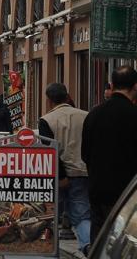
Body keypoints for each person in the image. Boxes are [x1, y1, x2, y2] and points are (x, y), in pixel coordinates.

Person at [82, 66, 137, 245]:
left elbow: (85, 155)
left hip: (98, 192)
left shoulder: (93, 115)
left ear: (111, 85)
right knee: (123, 244)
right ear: (136, 86)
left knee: (100, 241)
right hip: (128, 195)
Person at [38, 83, 90, 256]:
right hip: (83, 172)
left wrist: (60, 176)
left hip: (58, 176)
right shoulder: (86, 116)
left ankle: (51, 252)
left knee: (52, 217)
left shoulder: (47, 120)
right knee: (82, 215)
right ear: (67, 97)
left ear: (49, 100)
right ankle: (88, 246)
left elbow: (50, 151)